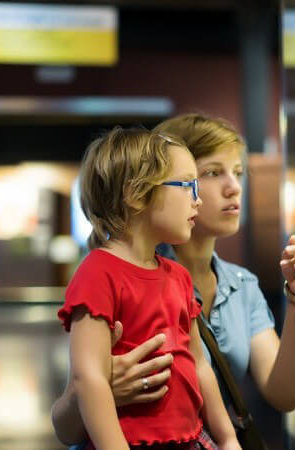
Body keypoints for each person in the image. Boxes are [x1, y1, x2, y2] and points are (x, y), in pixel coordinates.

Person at [51, 114, 295, 447]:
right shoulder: (107, 271)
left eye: (239, 173)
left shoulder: (234, 283)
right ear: (141, 190)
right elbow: (75, 408)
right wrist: (95, 390)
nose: (234, 187)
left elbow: (283, 393)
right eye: (210, 174)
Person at [57, 128, 238, 449]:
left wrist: (227, 438)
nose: (197, 199)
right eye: (187, 186)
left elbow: (199, 363)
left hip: (189, 439)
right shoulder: (98, 272)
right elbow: (89, 379)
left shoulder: (179, 277)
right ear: (136, 194)